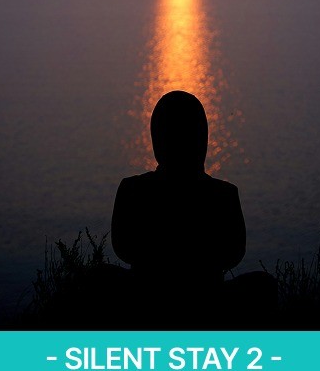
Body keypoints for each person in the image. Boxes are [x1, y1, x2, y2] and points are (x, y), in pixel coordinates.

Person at [111, 90, 275, 322]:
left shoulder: (132, 188)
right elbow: (233, 255)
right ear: (202, 139)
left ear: (157, 139)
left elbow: (123, 249)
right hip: (207, 297)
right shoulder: (224, 194)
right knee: (262, 284)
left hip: (146, 294)